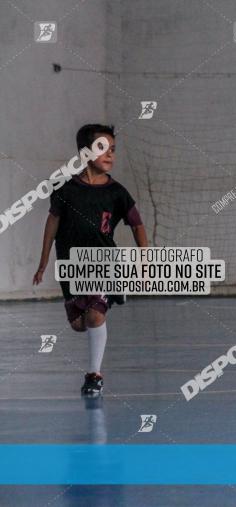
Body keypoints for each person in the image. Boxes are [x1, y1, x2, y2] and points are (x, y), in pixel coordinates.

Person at [32, 124, 148, 396]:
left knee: (96, 316)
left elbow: (137, 224)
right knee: (79, 324)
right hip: (71, 266)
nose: (111, 156)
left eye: (113, 150)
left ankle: (94, 375)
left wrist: (145, 258)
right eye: (103, 149)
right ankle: (115, 294)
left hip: (103, 262)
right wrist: (43, 261)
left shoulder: (117, 192)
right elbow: (52, 222)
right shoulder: (64, 188)